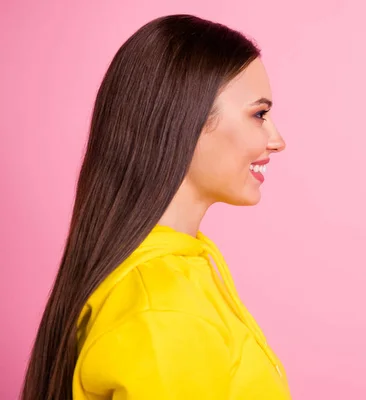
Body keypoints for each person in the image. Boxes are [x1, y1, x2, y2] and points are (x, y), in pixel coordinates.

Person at [21, 14, 289, 400]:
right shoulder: (162, 304)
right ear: (186, 120)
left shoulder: (179, 271)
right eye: (259, 114)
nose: (276, 140)